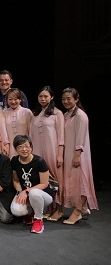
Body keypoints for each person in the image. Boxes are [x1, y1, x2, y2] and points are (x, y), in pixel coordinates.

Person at [60, 87, 98, 225]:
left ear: (76, 99)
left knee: (80, 182)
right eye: (63, 99)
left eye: (69, 99)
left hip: (78, 154)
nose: (65, 101)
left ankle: (77, 212)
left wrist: (77, 155)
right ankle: (83, 208)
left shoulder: (81, 116)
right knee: (72, 182)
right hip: (68, 153)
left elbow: (81, 138)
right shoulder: (66, 115)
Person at [29, 85, 64, 221]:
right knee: (42, 180)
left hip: (52, 150)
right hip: (38, 151)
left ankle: (59, 209)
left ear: (51, 97)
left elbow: (61, 136)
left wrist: (60, 154)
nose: (43, 99)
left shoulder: (57, 113)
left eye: (45, 96)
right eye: (40, 96)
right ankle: (49, 208)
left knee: (56, 179)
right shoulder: (35, 114)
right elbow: (31, 135)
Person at [10, 135, 54, 234]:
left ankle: (38, 220)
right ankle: (30, 213)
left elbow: (44, 184)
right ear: (16, 149)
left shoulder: (39, 161)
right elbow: (16, 180)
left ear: (31, 147)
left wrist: (26, 191)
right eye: (20, 147)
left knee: (34, 193)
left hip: (43, 194)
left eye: (27, 146)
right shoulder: (14, 161)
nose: (24, 149)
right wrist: (20, 192)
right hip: (25, 193)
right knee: (16, 211)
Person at [3, 88, 33, 158]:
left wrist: (31, 146)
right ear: (6, 100)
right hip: (10, 148)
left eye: (15, 99)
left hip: (25, 147)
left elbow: (31, 131)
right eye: (10, 99)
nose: (13, 102)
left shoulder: (27, 112)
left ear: (20, 99)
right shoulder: (3, 113)